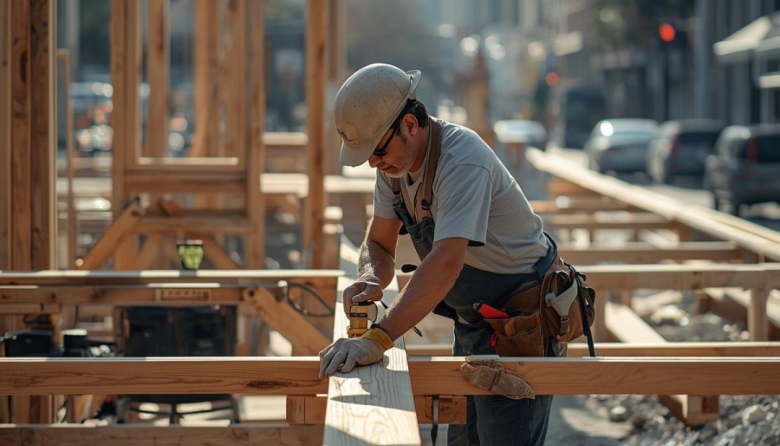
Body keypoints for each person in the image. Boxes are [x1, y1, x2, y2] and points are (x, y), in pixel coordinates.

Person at [319, 63, 577, 446]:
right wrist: (372, 276)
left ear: (409, 124)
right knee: (462, 440)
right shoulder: (393, 165)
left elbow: (444, 265)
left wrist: (377, 339)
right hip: (476, 320)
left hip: (523, 324)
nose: (373, 162)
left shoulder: (461, 162)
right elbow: (378, 244)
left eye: (376, 150)